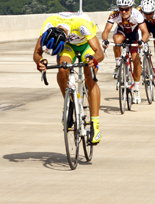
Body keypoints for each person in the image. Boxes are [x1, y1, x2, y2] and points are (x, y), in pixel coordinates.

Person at [34, 12, 105, 144]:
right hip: (68, 47)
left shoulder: (82, 25)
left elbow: (99, 53)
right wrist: (40, 61)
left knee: (90, 76)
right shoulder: (49, 24)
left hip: (86, 46)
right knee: (62, 68)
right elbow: (37, 53)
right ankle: (69, 104)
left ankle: (95, 125)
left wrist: (94, 60)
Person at [102, 0, 150, 105]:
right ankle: (118, 65)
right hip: (122, 33)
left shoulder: (137, 14)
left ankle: (137, 89)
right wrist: (104, 40)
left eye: (126, 9)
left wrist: (142, 41)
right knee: (117, 41)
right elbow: (106, 31)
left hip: (134, 35)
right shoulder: (114, 15)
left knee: (136, 61)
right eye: (121, 9)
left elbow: (145, 32)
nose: (123, 12)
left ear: (131, 8)